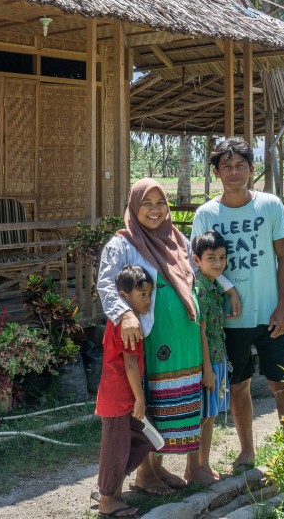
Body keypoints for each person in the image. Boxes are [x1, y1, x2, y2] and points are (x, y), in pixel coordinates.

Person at [191, 138, 284, 473]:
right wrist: (228, 289)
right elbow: (197, 264)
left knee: (282, 385)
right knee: (239, 387)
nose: (234, 172)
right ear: (216, 172)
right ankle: (247, 453)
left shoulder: (270, 206)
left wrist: (283, 307)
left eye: (240, 165)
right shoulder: (206, 214)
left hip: (270, 315)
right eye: (226, 166)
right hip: (229, 322)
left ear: (252, 170)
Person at [97, 178, 202, 495]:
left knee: (171, 405)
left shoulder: (176, 239)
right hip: (151, 339)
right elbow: (107, 284)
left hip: (182, 339)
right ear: (133, 206)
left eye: (160, 203)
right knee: (151, 403)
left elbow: (191, 276)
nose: (155, 210)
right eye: (147, 203)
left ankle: (158, 468)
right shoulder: (123, 244)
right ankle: (144, 474)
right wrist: (125, 314)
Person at [94, 265, 156, 518]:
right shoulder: (127, 324)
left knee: (143, 440)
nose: (147, 300)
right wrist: (139, 398)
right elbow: (130, 364)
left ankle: (108, 489)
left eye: (149, 294)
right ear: (123, 295)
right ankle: (108, 499)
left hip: (120, 397)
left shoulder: (124, 320)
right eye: (142, 295)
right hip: (118, 398)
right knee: (115, 449)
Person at [189, 230, 242, 483]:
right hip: (207, 363)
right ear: (196, 260)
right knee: (203, 417)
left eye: (222, 257)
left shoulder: (212, 285)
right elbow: (200, 331)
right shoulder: (199, 289)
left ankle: (203, 465)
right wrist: (207, 370)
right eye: (211, 258)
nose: (218, 263)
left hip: (218, 358)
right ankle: (195, 469)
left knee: (209, 416)